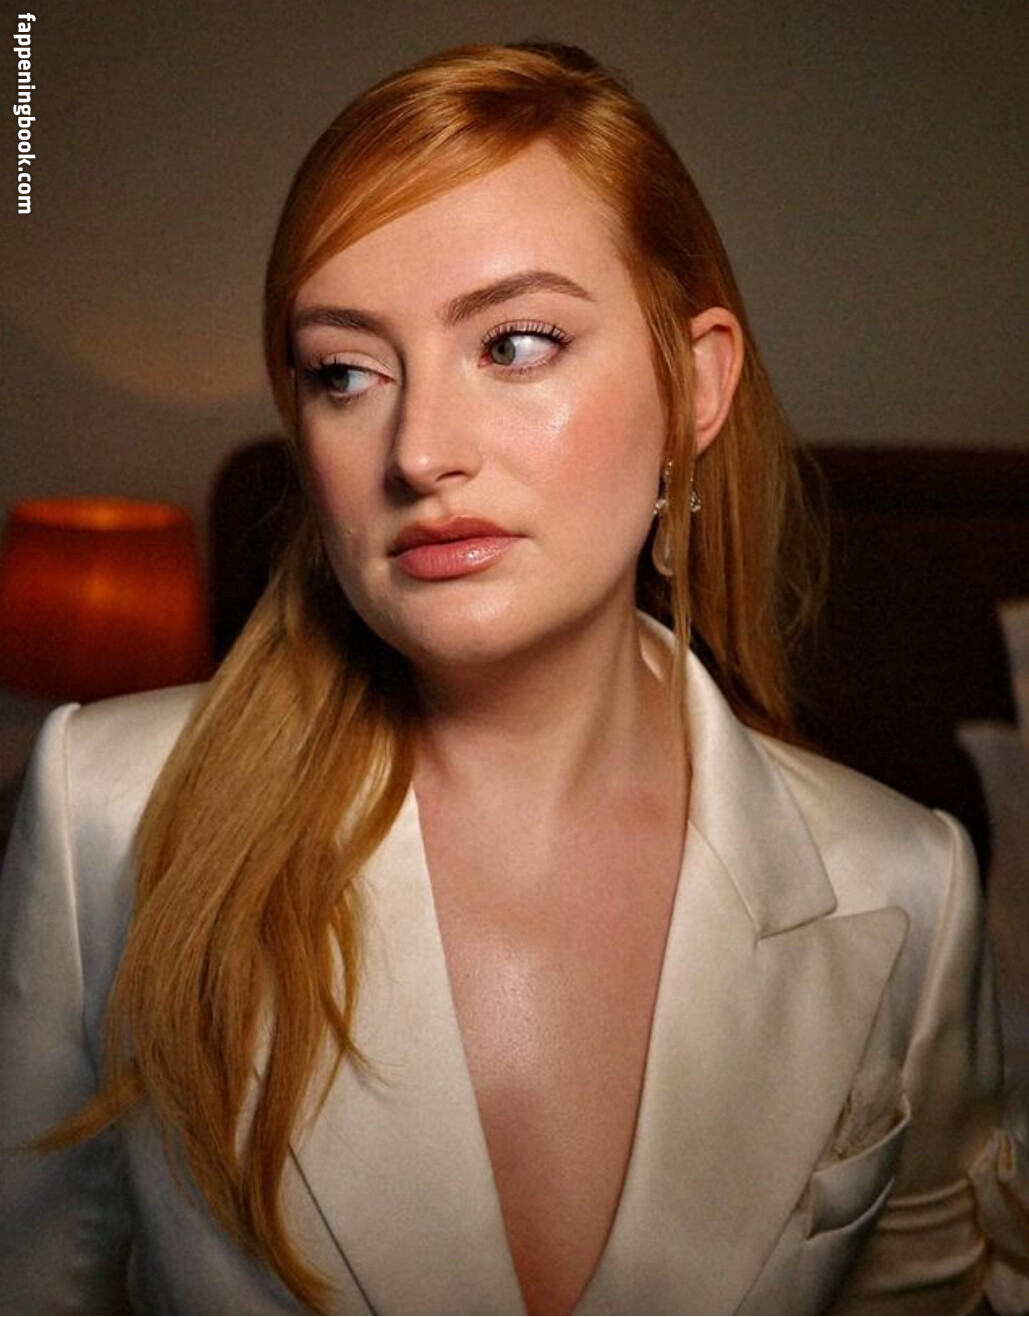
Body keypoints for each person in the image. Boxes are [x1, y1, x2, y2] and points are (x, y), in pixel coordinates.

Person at [1, 40, 1027, 1317]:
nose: (419, 451)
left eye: (518, 344)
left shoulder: (903, 886)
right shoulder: (105, 816)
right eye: (343, 372)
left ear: (694, 384)